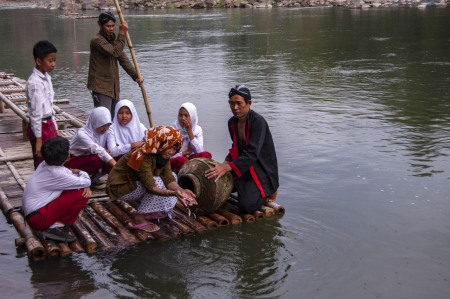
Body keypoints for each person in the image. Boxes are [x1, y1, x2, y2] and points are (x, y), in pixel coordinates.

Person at [106, 126, 197, 231]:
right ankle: (139, 218)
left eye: (174, 149)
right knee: (157, 182)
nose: (171, 152)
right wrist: (174, 193)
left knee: (173, 176)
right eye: (170, 147)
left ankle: (150, 211)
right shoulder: (143, 155)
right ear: (162, 144)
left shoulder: (162, 155)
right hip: (119, 188)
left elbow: (169, 179)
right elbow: (150, 187)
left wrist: (181, 190)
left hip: (135, 185)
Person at [205, 85, 279, 214]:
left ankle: (271, 188)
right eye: (232, 103)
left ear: (249, 103)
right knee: (214, 179)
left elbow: (251, 154)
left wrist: (227, 168)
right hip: (244, 166)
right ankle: (244, 187)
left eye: (239, 103)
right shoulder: (232, 123)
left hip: (261, 170)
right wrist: (224, 163)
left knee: (245, 206)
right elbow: (236, 148)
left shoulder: (258, 122)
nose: (235, 108)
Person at [22, 136, 91, 243]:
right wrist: (81, 172)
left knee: (73, 188)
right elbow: (87, 181)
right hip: (38, 218)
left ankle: (55, 223)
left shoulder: (45, 164)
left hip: (34, 213)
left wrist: (78, 176)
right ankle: (55, 227)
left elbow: (68, 173)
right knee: (82, 193)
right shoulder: (56, 173)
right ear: (67, 155)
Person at [87, 11, 144, 117]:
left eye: (113, 26)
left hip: (113, 88)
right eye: (108, 26)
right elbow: (115, 52)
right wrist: (122, 34)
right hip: (101, 88)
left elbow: (122, 58)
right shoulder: (97, 41)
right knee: (104, 119)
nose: (111, 29)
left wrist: (136, 76)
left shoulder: (113, 40)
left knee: (114, 120)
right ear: (100, 25)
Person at [25, 40, 60, 169]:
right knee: (42, 161)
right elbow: (35, 113)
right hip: (40, 127)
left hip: (49, 123)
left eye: (54, 60)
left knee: (54, 158)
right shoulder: (34, 83)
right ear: (39, 61)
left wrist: (55, 128)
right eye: (50, 61)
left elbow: (49, 107)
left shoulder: (46, 77)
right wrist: (38, 139)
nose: (53, 64)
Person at [65, 107, 116, 186]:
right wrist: (116, 166)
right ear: (95, 122)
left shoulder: (107, 131)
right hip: (72, 160)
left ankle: (96, 178)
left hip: (87, 158)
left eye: (108, 125)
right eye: (102, 125)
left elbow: (111, 148)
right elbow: (98, 150)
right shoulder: (82, 134)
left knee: (108, 155)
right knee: (98, 158)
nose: (105, 128)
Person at [170, 102, 212, 172]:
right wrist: (186, 152)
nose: (183, 118)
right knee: (182, 160)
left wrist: (190, 133)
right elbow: (169, 155)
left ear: (192, 117)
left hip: (190, 158)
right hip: (178, 159)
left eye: (186, 116)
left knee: (206, 155)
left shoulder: (197, 130)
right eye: (180, 115)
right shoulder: (173, 129)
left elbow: (200, 151)